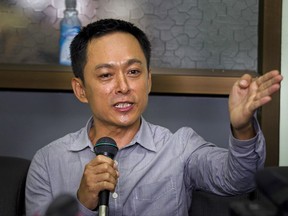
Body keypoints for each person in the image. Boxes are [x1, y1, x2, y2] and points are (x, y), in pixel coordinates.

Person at [25, 18, 283, 216]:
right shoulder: (48, 163)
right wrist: (83, 202)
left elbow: (241, 180)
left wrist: (243, 128)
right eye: (106, 75)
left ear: (148, 81)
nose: (123, 86)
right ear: (81, 90)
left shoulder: (180, 148)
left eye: (134, 71)